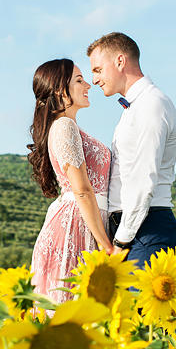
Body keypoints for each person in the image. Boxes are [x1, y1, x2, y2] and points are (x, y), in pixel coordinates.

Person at [87, 32, 176, 267]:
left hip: (145, 231)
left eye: (98, 69)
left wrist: (121, 242)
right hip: (132, 228)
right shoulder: (134, 107)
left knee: (140, 305)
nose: (94, 79)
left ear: (120, 61)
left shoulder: (151, 104)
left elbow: (143, 180)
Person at [27, 58, 115, 304]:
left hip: (84, 219)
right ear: (59, 89)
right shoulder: (64, 125)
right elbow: (83, 190)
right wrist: (105, 245)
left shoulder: (67, 126)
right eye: (78, 80)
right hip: (76, 224)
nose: (88, 84)